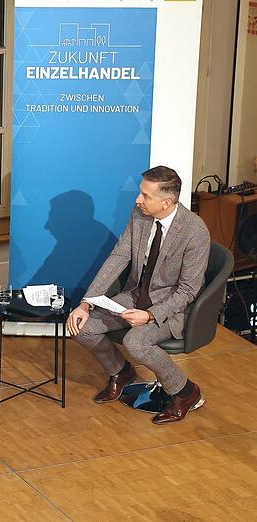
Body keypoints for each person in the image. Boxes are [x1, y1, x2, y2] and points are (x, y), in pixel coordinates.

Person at [67, 165, 210, 424]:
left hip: (168, 309)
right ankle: (121, 373)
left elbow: (188, 290)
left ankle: (185, 391)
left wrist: (150, 315)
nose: (137, 200)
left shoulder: (195, 232)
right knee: (82, 326)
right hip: (134, 296)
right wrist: (86, 303)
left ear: (166, 202)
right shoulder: (140, 214)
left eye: (145, 195)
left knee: (136, 342)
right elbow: (119, 256)